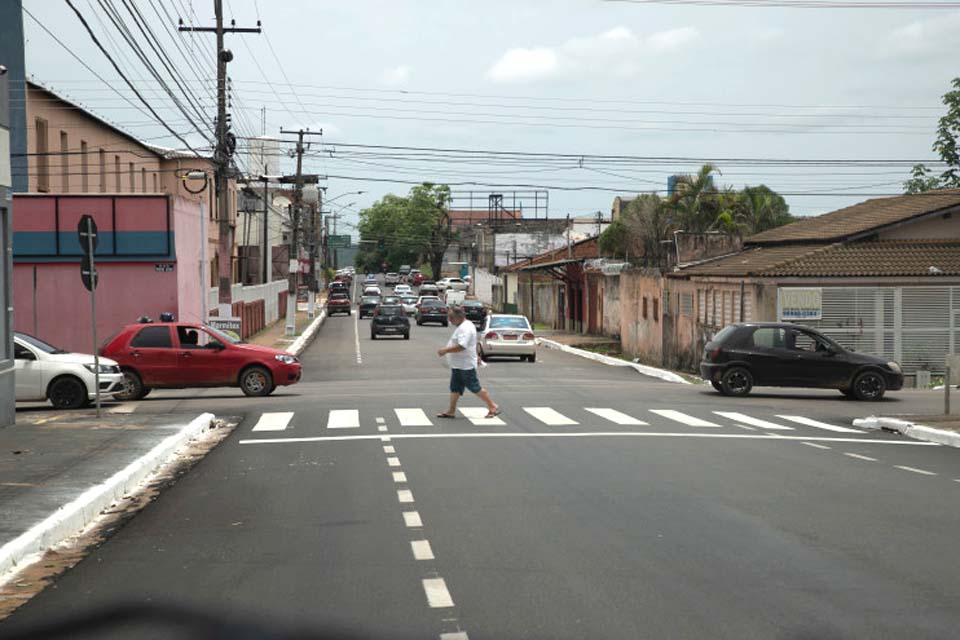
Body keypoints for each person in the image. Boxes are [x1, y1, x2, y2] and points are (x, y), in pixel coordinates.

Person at [437, 305, 500, 419]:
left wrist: (445, 350)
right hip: (458, 364)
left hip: (465, 365)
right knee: (455, 387)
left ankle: (492, 406)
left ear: (459, 316)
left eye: (451, 317)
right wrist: (476, 354)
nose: (449, 320)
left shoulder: (465, 328)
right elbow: (473, 343)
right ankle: (451, 410)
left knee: (474, 386)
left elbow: (462, 346)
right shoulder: (464, 325)